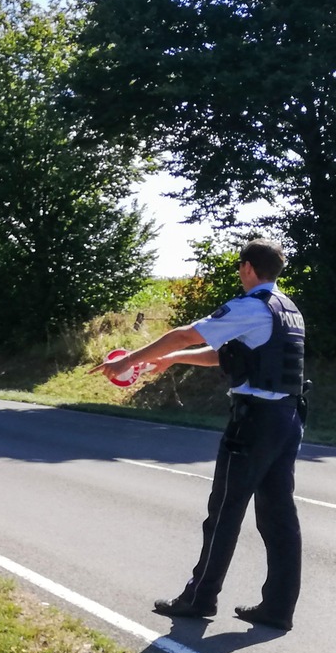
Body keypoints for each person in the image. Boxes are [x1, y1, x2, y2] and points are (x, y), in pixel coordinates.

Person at [90, 238, 308, 631]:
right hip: (287, 420)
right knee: (278, 516)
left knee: (224, 512)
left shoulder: (250, 306)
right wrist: (167, 360)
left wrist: (129, 360)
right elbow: (223, 355)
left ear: (246, 268)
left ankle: (198, 599)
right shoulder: (287, 310)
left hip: (254, 422)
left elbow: (183, 334)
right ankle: (278, 608)